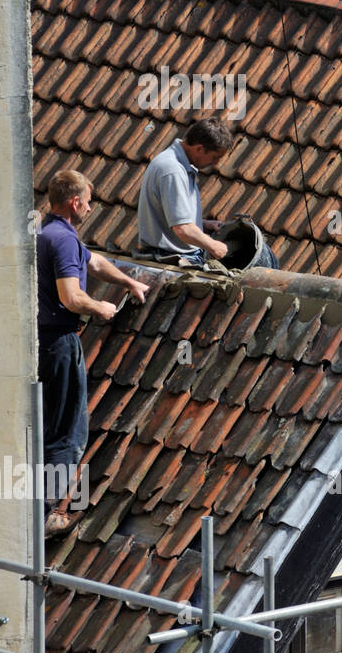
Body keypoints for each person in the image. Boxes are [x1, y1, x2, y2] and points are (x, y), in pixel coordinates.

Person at [37, 171, 148, 535]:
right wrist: (100, 307)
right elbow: (71, 297)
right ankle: (45, 515)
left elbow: (94, 262)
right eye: (87, 200)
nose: (91, 206)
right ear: (74, 202)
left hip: (40, 340)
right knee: (68, 430)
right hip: (59, 341)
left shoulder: (48, 232)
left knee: (46, 424)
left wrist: (129, 281)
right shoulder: (62, 241)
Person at [136, 117, 279, 270]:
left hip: (178, 251)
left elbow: (171, 215)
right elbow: (182, 229)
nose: (216, 163)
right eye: (214, 157)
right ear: (198, 148)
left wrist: (202, 224)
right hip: (170, 256)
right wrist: (212, 245)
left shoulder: (176, 164)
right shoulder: (173, 170)